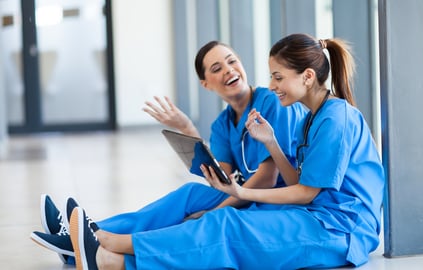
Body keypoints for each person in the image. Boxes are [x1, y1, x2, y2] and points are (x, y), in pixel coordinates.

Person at [65, 33, 385, 269]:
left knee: (226, 225)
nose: (272, 85)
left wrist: (237, 195)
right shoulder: (313, 119)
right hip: (316, 213)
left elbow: (301, 191)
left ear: (308, 76)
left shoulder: (334, 117)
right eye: (216, 68)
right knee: (197, 202)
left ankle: (109, 248)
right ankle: (98, 244)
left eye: (278, 77)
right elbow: (298, 183)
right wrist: (271, 143)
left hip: (343, 229)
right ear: (206, 82)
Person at [30, 40, 306, 267]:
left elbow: (268, 179)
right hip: (246, 193)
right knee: (188, 194)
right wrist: (187, 129)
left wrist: (214, 210)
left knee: (210, 217)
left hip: (272, 198)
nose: (229, 70)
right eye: (217, 68)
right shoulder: (222, 123)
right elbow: (219, 177)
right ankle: (83, 235)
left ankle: (85, 239)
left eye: (232, 61)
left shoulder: (271, 102)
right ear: (205, 83)